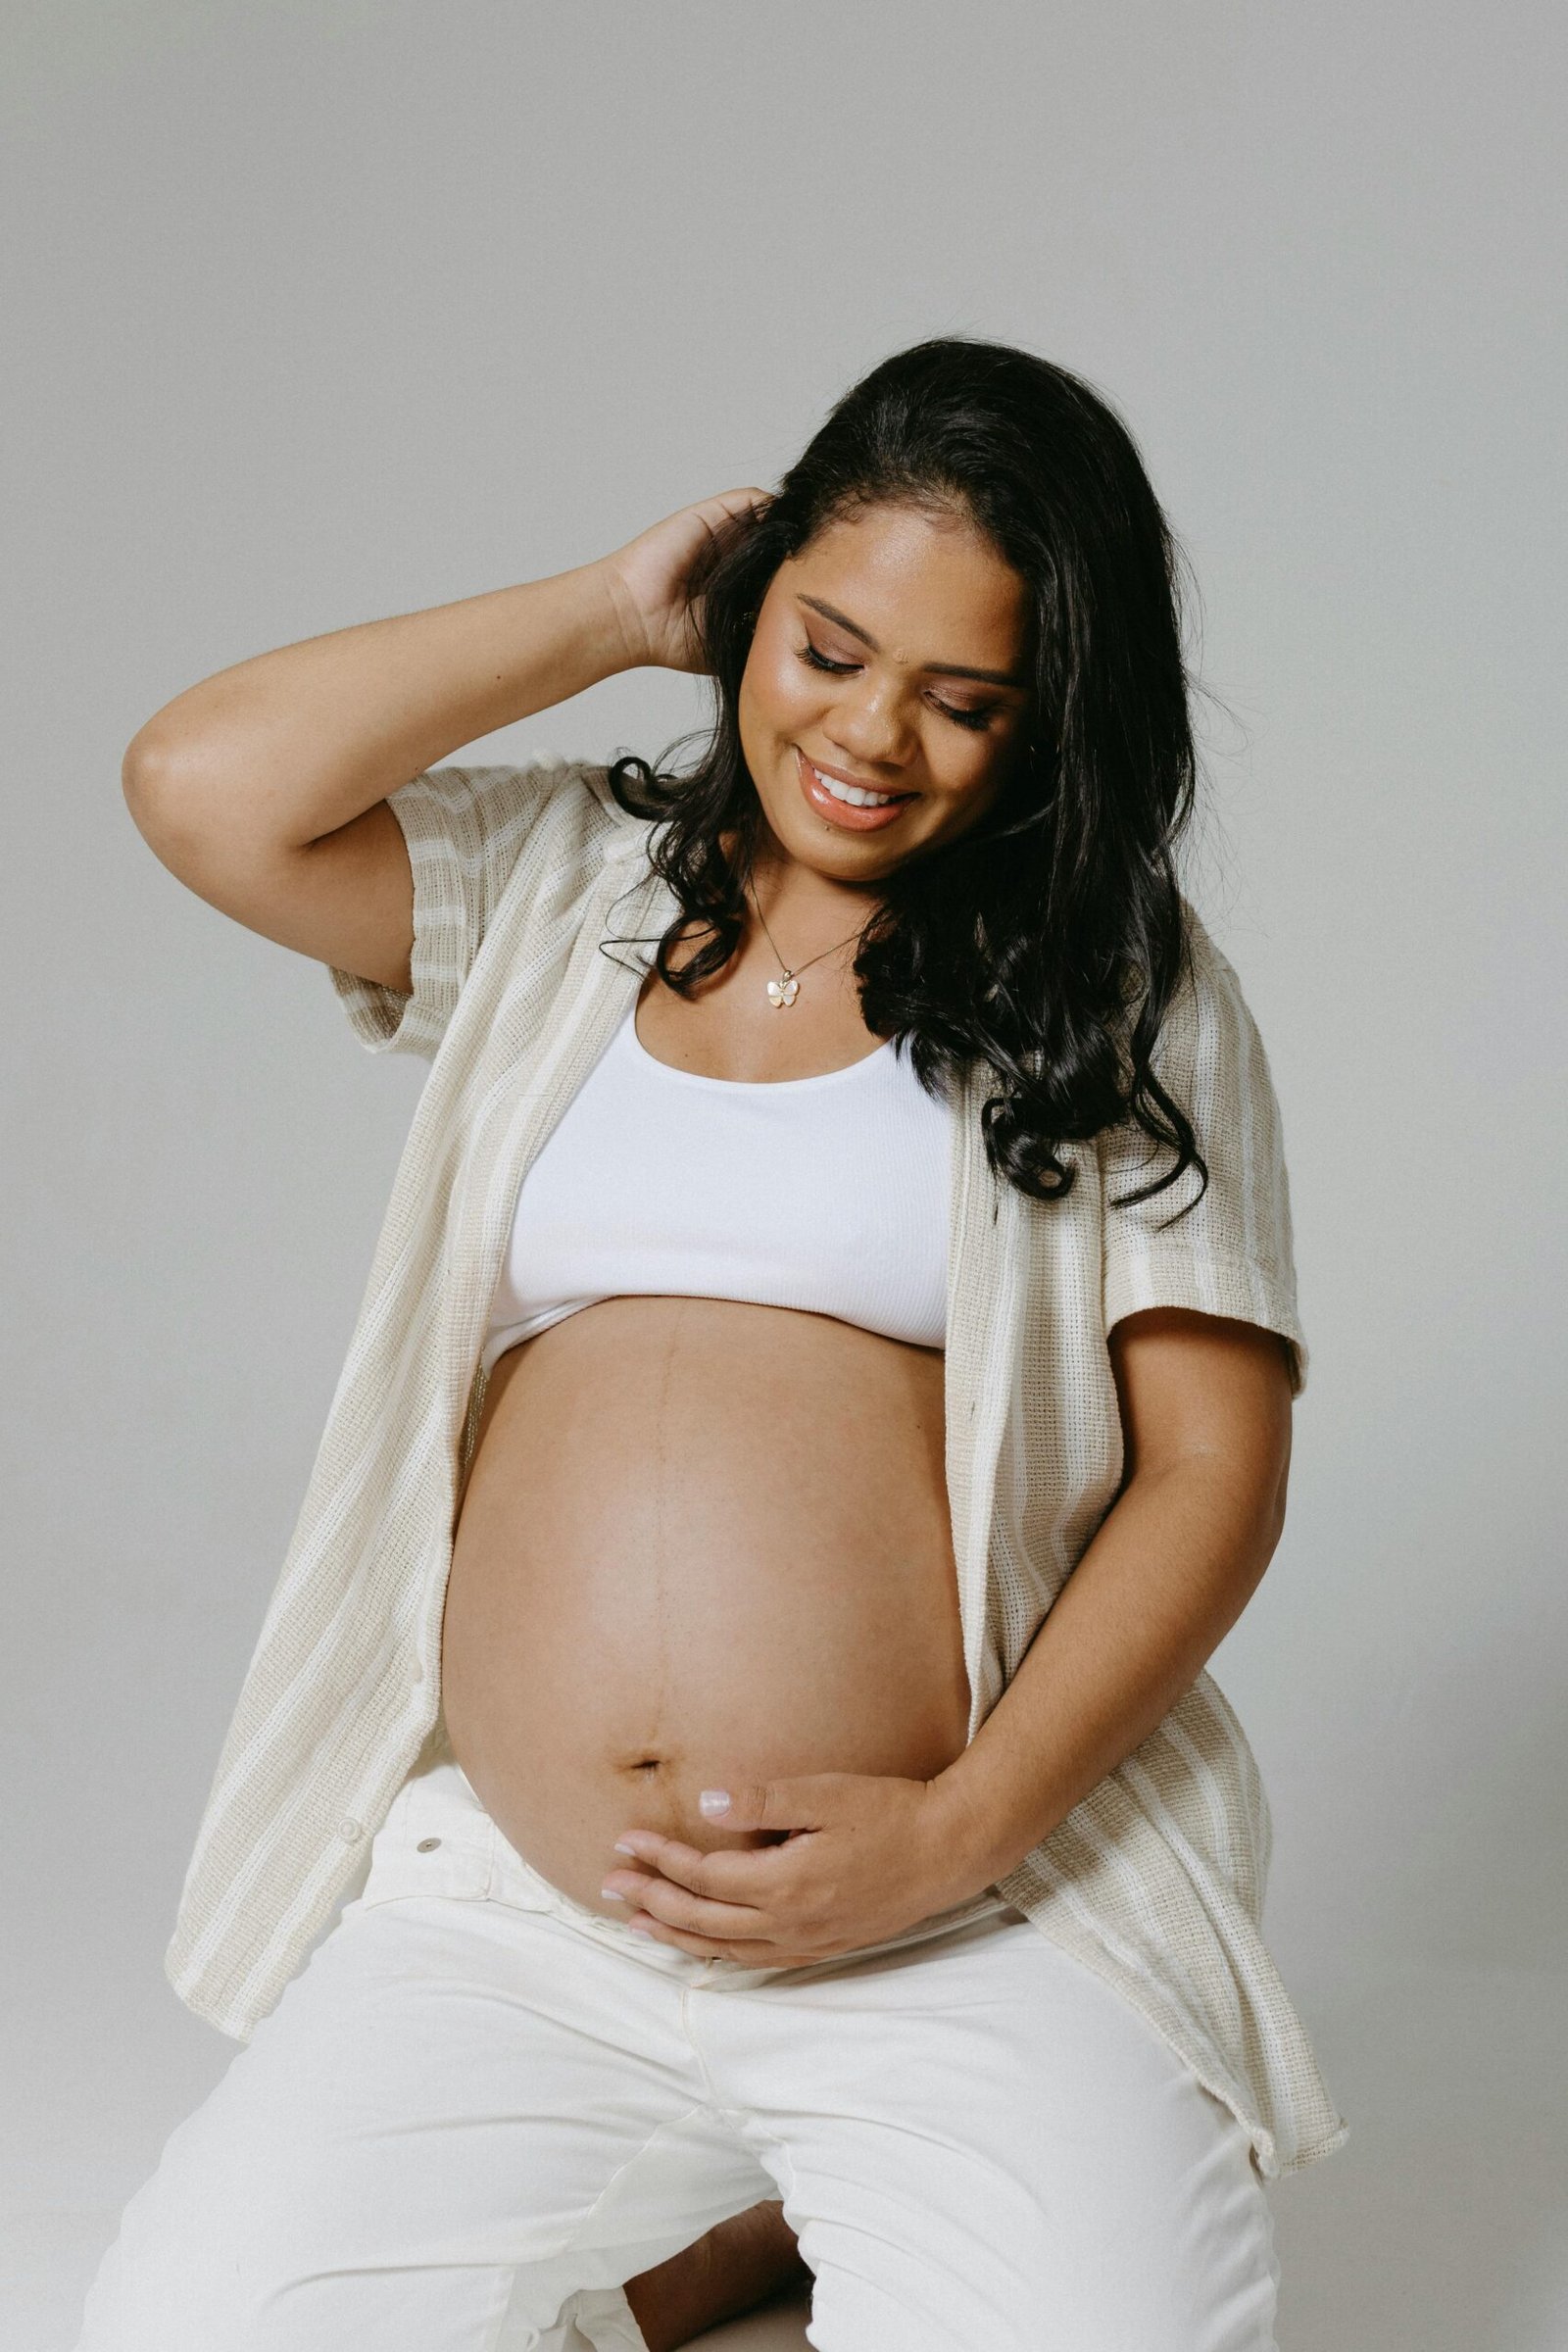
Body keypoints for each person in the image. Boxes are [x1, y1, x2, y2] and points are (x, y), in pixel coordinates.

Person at [78, 337, 1347, 2352]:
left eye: (962, 699)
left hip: (960, 1916)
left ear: (1047, 725)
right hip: (530, 1916)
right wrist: (603, 612)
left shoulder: (1112, 990)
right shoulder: (559, 887)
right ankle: (724, 2233)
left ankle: (764, 2233)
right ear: (749, 611)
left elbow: (1213, 1468)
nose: (870, 737)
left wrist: (952, 1830)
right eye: (824, 650)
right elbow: (202, 785)